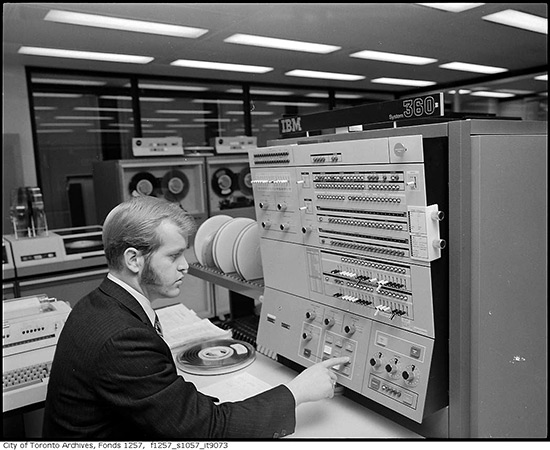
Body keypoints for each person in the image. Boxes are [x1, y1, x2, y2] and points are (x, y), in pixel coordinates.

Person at [43, 196, 349, 439]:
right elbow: (207, 429)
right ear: (134, 260)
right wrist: (298, 391)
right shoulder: (123, 339)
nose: (185, 266)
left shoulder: (98, 304)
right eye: (173, 255)